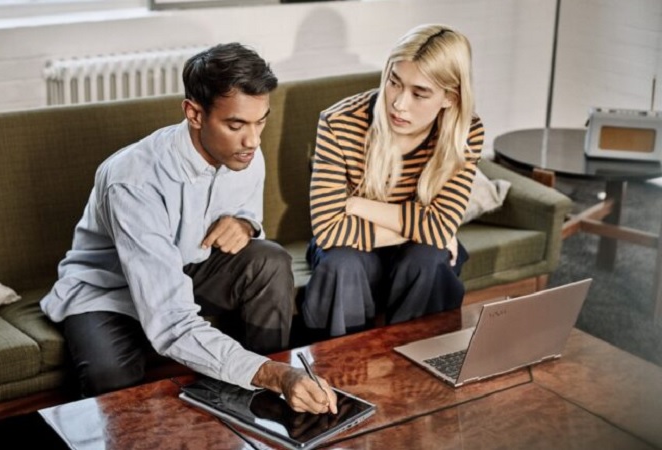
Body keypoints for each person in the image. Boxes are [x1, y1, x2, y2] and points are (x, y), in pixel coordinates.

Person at [41, 43, 337, 414]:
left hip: (187, 267)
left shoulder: (244, 152)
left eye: (260, 121)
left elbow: (247, 211)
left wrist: (246, 223)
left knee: (270, 261)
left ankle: (264, 409)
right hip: (109, 292)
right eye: (236, 125)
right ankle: (269, 379)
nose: (253, 140)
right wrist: (275, 374)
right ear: (194, 114)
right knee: (111, 378)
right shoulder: (133, 182)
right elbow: (171, 322)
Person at [303, 24, 485, 338]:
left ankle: (419, 363)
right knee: (343, 264)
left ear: (450, 97)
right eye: (394, 82)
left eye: (419, 93)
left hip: (409, 251)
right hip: (350, 250)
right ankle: (339, 366)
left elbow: (441, 227)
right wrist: (427, 229)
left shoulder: (465, 132)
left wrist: (356, 205)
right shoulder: (339, 122)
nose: (399, 103)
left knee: (428, 258)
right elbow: (329, 230)